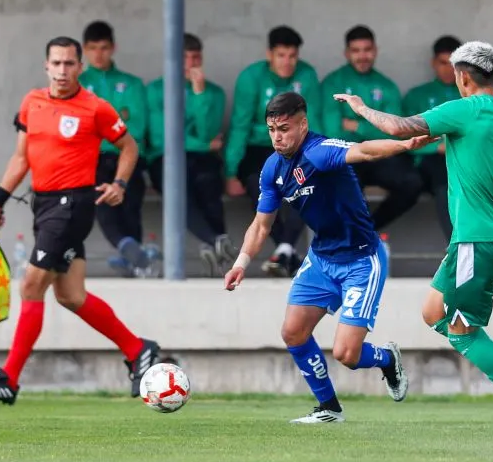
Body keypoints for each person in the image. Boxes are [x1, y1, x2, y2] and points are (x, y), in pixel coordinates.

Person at [334, 40, 493, 438]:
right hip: (487, 238)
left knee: (461, 331)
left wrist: (361, 108)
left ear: (462, 78)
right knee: (433, 311)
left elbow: (399, 127)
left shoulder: (461, 110)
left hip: (475, 240)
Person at [0, 37, 161, 405]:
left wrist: (120, 183)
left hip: (72, 207)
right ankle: (138, 350)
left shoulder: (95, 108)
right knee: (71, 296)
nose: (62, 71)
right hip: (42, 206)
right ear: (46, 66)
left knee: (31, 286)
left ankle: (9, 376)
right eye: (56, 64)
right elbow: (20, 159)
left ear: (80, 67)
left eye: (69, 64)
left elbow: (129, 146)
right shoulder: (31, 102)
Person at [223, 92, 422, 424]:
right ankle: (329, 408)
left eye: (284, 128)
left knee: (347, 354)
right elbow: (261, 225)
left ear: (303, 124)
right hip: (321, 260)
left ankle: (387, 359)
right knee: (293, 333)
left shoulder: (319, 152)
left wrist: (403, 146)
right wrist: (240, 263)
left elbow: (364, 151)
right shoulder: (272, 168)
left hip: (361, 261)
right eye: (272, 129)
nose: (277, 137)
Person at [224, 26, 321, 277]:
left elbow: (314, 121)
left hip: (298, 145)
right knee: (257, 183)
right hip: (259, 146)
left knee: (309, 182)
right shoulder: (251, 77)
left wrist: (320, 155)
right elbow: (240, 124)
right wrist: (231, 171)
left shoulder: (307, 75)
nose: (287, 62)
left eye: (292, 56)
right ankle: (287, 248)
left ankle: (284, 248)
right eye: (281, 55)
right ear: (269, 54)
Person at [145, 33, 235, 276]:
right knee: (178, 187)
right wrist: (204, 144)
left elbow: (209, 131)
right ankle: (217, 240)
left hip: (201, 158)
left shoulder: (213, 93)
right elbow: (162, 136)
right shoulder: (155, 90)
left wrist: (199, 95)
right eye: (183, 58)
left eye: (195, 58)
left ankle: (213, 246)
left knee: (208, 184)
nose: (190, 64)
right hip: (165, 157)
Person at [321, 25, 421, 231]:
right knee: (348, 189)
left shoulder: (386, 86)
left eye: (367, 50)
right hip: (348, 154)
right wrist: (374, 123)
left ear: (375, 50)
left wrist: (355, 125)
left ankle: (370, 230)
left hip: (381, 154)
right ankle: (359, 239)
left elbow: (394, 131)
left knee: (413, 182)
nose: (362, 56)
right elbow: (333, 131)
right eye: (356, 51)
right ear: (347, 53)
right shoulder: (333, 83)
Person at [78, 21, 151, 277]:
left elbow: (138, 126)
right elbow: (79, 127)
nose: (99, 54)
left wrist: (101, 127)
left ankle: (130, 254)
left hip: (126, 154)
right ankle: (129, 249)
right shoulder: (78, 83)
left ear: (113, 48)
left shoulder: (131, 84)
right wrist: (117, 119)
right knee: (101, 197)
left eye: (104, 48)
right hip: (93, 158)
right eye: (93, 48)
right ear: (85, 50)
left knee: (131, 199)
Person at [402, 35, 463, 239]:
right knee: (445, 179)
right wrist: (437, 147)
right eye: (443, 63)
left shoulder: (470, 96)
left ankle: (481, 251)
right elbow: (405, 138)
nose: (447, 69)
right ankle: (456, 245)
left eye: (453, 64)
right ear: (433, 63)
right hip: (430, 163)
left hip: (465, 161)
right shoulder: (417, 96)